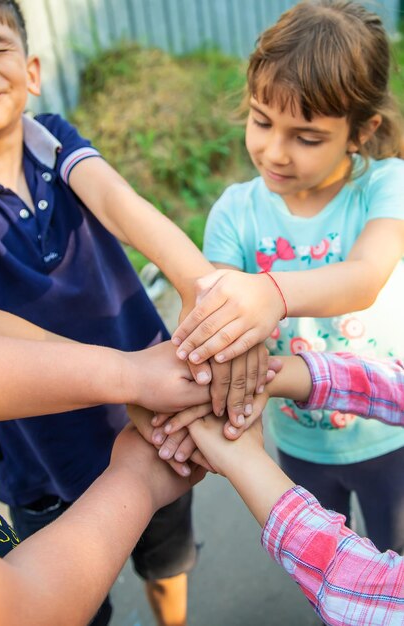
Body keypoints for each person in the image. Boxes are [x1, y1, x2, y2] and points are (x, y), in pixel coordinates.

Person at [0, 2, 268, 623]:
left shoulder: (54, 139)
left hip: (152, 415)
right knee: (69, 592)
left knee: (167, 566)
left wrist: (209, 290)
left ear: (32, 70)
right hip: (38, 449)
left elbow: (121, 203)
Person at [171, 0, 404, 556]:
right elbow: (215, 318)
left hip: (391, 434)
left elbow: (366, 277)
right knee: (326, 574)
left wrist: (267, 292)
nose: (274, 152)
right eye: (261, 121)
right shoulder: (234, 212)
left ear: (361, 129)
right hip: (298, 443)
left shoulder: (384, 185)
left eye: (306, 136)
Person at [0, 327, 207, 626]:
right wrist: (139, 480)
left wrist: (129, 375)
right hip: (40, 472)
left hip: (137, 406)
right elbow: (22, 611)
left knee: (167, 567)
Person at [188, 349, 404, 626]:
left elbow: (366, 596)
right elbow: (391, 382)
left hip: (381, 455)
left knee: (392, 536)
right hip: (299, 445)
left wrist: (245, 460)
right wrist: (268, 378)